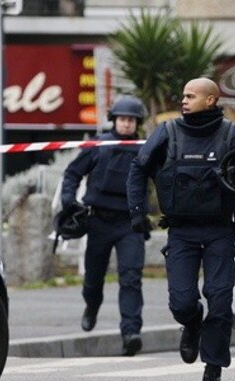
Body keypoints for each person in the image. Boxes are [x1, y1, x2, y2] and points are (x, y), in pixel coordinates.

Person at [127, 78, 235, 381]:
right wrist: (137, 212)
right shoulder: (168, 132)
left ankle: (212, 372)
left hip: (219, 231)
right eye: (182, 95)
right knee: (182, 303)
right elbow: (138, 168)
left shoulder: (232, 134)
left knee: (220, 300)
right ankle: (192, 324)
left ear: (211, 100)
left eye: (190, 96)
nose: (183, 100)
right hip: (182, 231)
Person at [60, 96, 148, 356]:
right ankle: (92, 305)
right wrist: (68, 200)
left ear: (137, 123)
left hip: (130, 223)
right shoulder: (98, 145)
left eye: (131, 120)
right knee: (93, 278)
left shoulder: (145, 149)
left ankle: (131, 333)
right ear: (114, 120)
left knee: (131, 278)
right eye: (122, 119)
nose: (126, 124)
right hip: (98, 220)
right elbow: (72, 173)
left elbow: (163, 179)